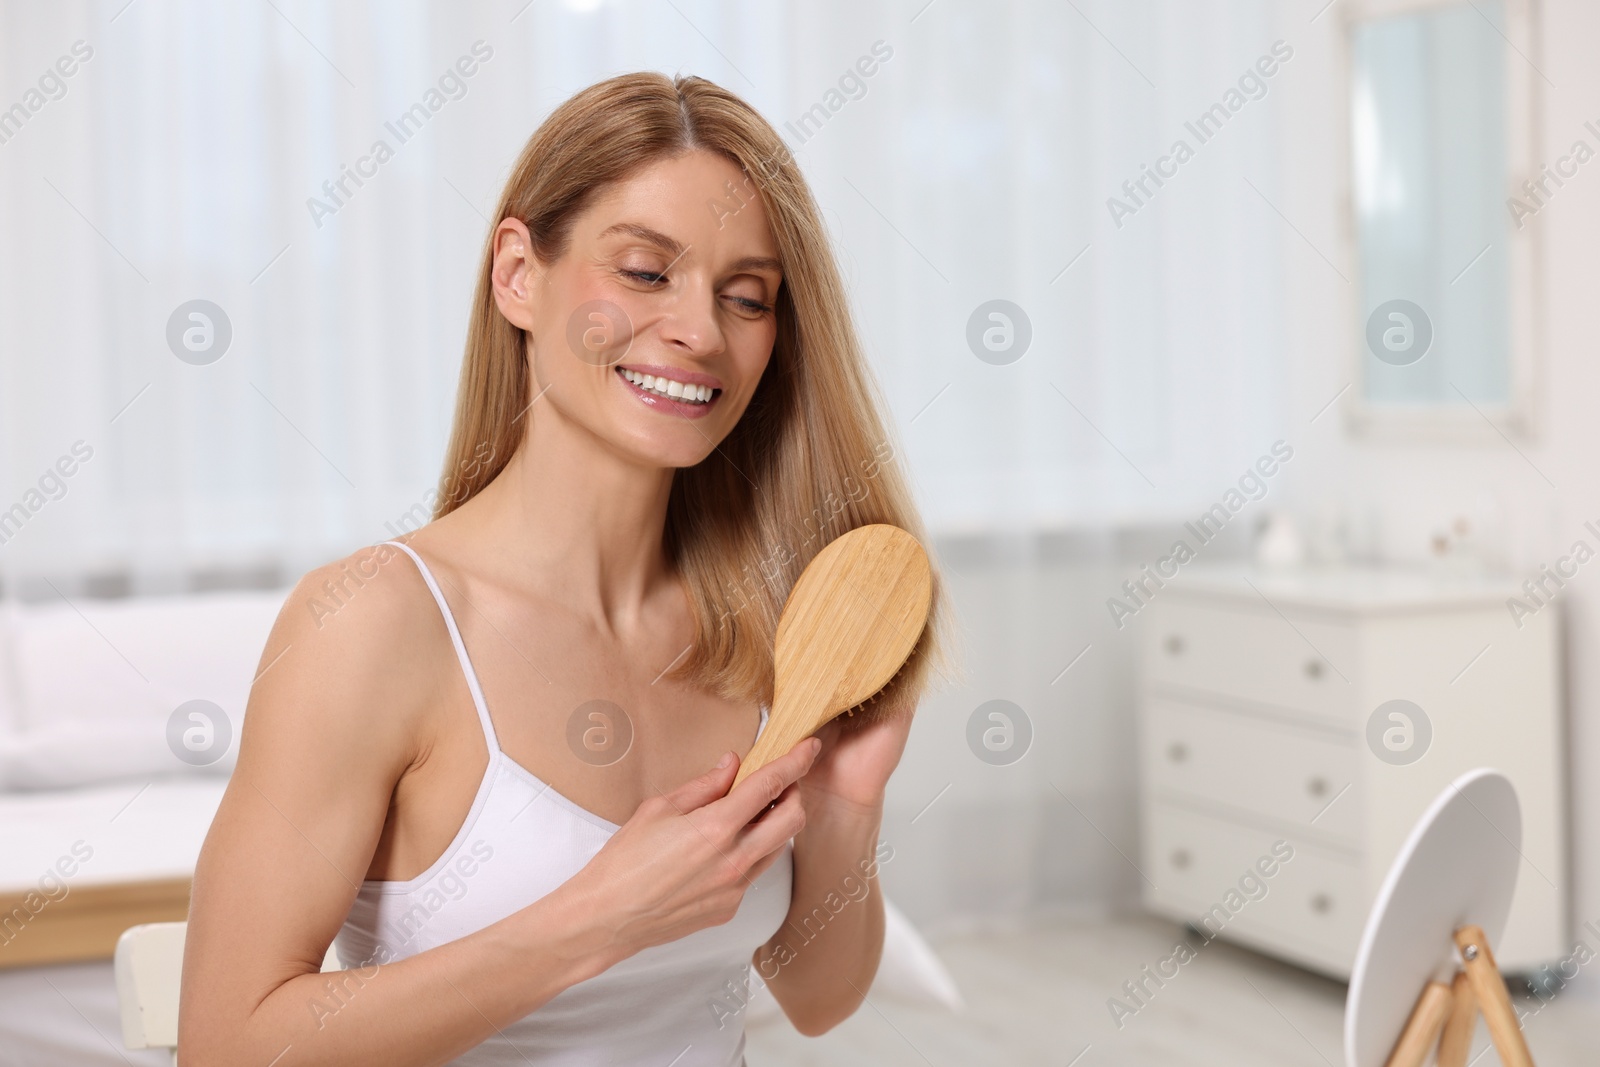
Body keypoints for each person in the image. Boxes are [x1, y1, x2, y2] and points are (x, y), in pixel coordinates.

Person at [180, 71, 943, 1066]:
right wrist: (596, 919)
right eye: (642, 272)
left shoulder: (768, 636)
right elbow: (226, 1043)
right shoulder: (374, 620)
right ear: (518, 274)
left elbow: (818, 996)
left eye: (746, 296)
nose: (700, 331)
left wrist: (845, 801)